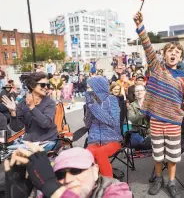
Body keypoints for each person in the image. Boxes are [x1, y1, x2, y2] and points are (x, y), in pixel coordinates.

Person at [134, 11, 184, 198]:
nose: (174, 54)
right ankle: (158, 178)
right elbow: (147, 46)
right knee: (157, 153)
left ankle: (171, 182)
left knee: (172, 155)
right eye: (170, 51)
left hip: (173, 122)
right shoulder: (156, 67)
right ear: (164, 54)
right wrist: (140, 26)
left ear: (180, 58)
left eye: (177, 52)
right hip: (156, 120)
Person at [4, 143, 132, 198]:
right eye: (59, 175)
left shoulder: (116, 189)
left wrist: (52, 187)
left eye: (76, 170)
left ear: (94, 171)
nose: (68, 179)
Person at [2, 72, 57, 152]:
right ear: (32, 86)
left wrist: (32, 107)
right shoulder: (22, 103)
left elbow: (46, 123)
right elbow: (17, 128)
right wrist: (13, 112)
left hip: (47, 141)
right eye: (42, 85)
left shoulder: (49, 102)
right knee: (6, 153)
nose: (46, 87)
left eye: (47, 85)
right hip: (29, 142)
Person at [84, 77, 122, 177]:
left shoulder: (112, 99)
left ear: (98, 88)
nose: (88, 91)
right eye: (87, 88)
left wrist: (94, 107)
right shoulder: (91, 102)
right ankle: (92, 185)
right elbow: (87, 124)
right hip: (94, 140)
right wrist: (89, 108)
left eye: (90, 88)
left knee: (101, 153)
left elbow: (113, 122)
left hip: (112, 139)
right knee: (85, 155)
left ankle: (108, 184)